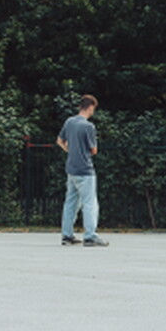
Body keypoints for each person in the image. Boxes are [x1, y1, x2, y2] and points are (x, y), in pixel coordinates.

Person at [57, 94, 107, 246]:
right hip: (85, 170)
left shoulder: (70, 122)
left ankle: (67, 235)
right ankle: (90, 235)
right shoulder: (88, 126)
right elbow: (93, 150)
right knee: (90, 203)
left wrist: (70, 150)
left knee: (70, 202)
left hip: (71, 169)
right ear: (90, 107)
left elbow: (60, 141)